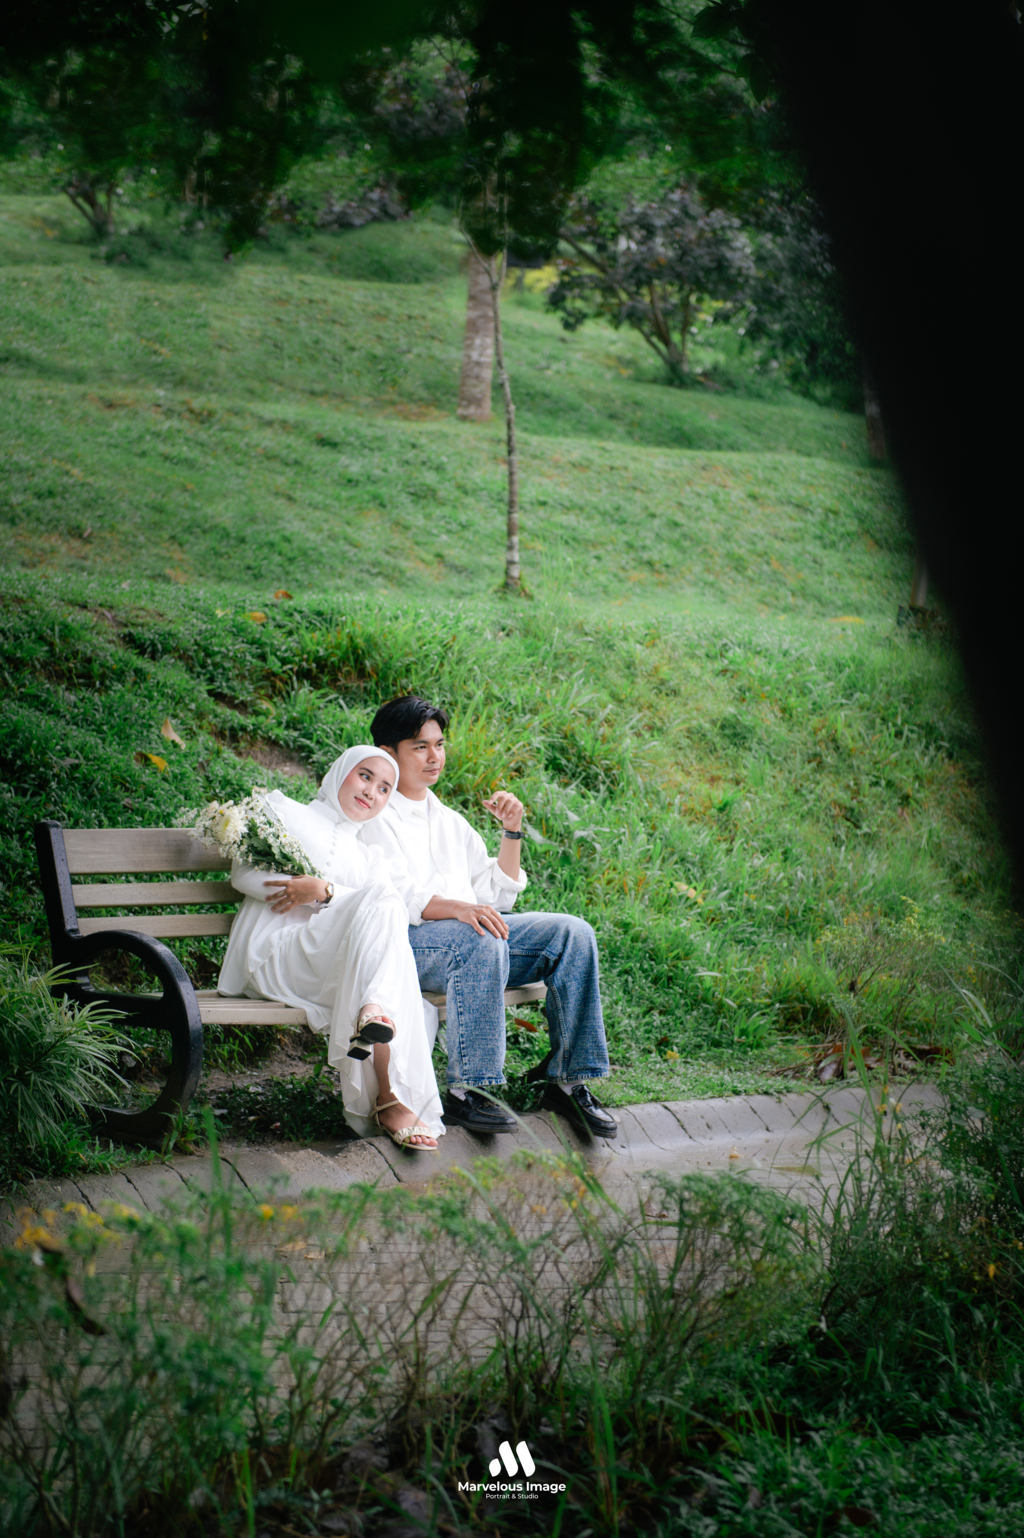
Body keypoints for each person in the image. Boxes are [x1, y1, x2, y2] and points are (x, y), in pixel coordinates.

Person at [359, 695, 618, 1139]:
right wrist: (461, 910)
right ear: (388, 753)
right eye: (420, 747)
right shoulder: (374, 816)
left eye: (439, 744)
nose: (434, 756)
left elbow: (497, 896)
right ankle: (470, 1091)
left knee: (572, 934)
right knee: (479, 936)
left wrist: (511, 832)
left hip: (474, 944)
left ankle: (568, 1081)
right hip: (408, 946)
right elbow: (395, 897)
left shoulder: (448, 820)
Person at [218, 744, 444, 1149]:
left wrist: (325, 891)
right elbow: (243, 875)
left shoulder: (370, 857)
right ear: (340, 771)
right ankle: (390, 1096)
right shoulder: (285, 812)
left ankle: (381, 1050)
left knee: (385, 903)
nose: (371, 791)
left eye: (385, 788)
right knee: (384, 906)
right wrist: (306, 892)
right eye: (365, 776)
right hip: (276, 954)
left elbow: (374, 913)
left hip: (330, 966)